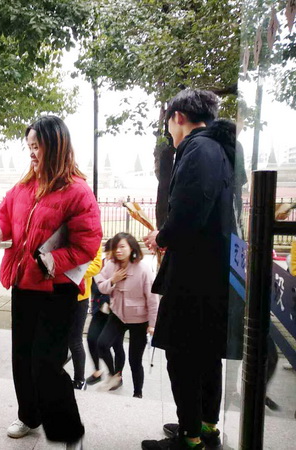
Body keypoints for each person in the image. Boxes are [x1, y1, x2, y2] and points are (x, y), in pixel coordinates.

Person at [0, 115, 102, 450]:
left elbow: (88, 244)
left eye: (37, 146)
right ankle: (29, 416)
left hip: (57, 290)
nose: (32, 153)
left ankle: (68, 431)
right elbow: (5, 217)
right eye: (29, 146)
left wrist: (52, 261)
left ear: (56, 146)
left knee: (46, 364)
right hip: (24, 285)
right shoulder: (23, 187)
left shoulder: (78, 192)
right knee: (22, 358)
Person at [142, 89, 237, 450]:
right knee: (207, 352)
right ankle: (206, 425)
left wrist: (161, 236)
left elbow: (187, 211)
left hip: (193, 275)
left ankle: (189, 437)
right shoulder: (221, 149)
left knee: (182, 354)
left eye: (168, 124)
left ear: (178, 117)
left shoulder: (197, 149)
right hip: (215, 273)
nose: (169, 132)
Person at [95, 232, 158, 398]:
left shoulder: (143, 269)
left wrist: (152, 324)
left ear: (132, 248)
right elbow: (101, 286)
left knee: (135, 360)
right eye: (116, 247)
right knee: (102, 344)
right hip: (117, 315)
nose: (118, 250)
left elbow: (152, 299)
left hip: (139, 319)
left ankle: (138, 393)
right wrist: (113, 280)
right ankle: (115, 376)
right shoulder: (111, 265)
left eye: (122, 246)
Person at [85, 239, 125, 385]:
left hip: (116, 314)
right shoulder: (99, 266)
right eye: (107, 253)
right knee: (91, 339)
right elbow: (95, 287)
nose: (109, 256)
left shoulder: (122, 267)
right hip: (99, 310)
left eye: (111, 253)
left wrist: (108, 285)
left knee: (116, 345)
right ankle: (98, 371)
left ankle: (116, 375)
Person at [68, 247, 103, 390]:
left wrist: (69, 271)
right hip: (57, 295)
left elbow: (95, 266)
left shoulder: (93, 239)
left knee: (75, 341)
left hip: (79, 297)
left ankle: (79, 380)